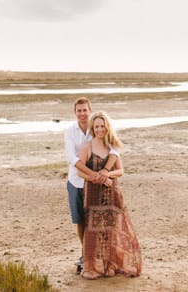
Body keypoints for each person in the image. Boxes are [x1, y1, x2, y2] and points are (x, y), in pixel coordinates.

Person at [76, 111, 142, 280]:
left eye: (102, 126)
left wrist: (107, 175)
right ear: (93, 128)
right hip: (93, 194)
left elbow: (121, 171)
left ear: (107, 127)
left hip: (112, 193)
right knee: (93, 230)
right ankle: (91, 267)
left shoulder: (112, 147)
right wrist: (96, 178)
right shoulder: (87, 147)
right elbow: (79, 172)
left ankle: (110, 264)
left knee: (111, 229)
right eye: (96, 126)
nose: (100, 129)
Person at [64, 98, 118, 273]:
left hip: (96, 185)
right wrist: (93, 175)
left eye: (84, 110)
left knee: (96, 219)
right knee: (80, 219)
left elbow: (114, 150)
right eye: (78, 110)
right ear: (75, 112)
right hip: (77, 182)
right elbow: (72, 159)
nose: (82, 113)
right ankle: (85, 254)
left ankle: (102, 255)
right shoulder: (70, 131)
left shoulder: (98, 126)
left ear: (90, 110)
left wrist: (105, 172)